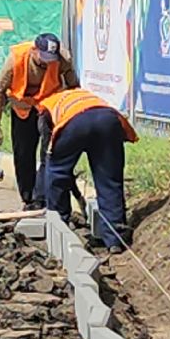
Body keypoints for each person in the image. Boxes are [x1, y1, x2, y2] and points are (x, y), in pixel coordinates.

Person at [33, 71, 139, 252]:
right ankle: (114, 238)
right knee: (109, 180)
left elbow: (48, 155)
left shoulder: (46, 107)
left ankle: (59, 225)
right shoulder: (83, 95)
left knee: (56, 173)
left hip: (74, 124)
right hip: (108, 120)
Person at [0, 32, 68, 210]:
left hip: (47, 110)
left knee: (49, 153)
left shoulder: (62, 59)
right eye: (44, 57)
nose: (47, 62)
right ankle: (28, 198)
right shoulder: (16, 59)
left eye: (51, 58)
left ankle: (43, 197)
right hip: (22, 110)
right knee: (23, 155)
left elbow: (72, 83)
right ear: (34, 50)